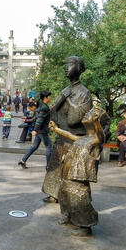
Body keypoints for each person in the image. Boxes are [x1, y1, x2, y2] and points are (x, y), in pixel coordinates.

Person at [42, 56, 93, 204]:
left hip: (75, 137)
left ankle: (76, 204)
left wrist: (68, 100)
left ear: (79, 69)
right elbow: (53, 114)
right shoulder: (66, 90)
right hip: (62, 134)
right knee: (56, 166)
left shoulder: (83, 92)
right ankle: (54, 193)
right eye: (65, 64)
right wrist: (62, 99)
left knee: (74, 173)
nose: (66, 67)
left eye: (70, 64)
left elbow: (74, 119)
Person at [49, 107, 105, 237]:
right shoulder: (84, 138)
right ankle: (70, 216)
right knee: (65, 194)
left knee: (79, 198)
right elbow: (70, 135)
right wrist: (56, 129)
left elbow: (101, 135)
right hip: (69, 172)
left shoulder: (96, 139)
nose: (85, 114)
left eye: (89, 114)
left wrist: (97, 122)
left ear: (96, 119)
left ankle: (85, 226)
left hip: (80, 175)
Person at [18, 90, 52, 169]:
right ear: (45, 98)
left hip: (39, 130)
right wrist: (35, 130)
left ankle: (23, 160)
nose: (51, 98)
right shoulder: (44, 107)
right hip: (41, 130)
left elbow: (36, 117)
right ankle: (48, 166)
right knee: (49, 147)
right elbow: (39, 120)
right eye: (49, 96)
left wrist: (27, 119)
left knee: (34, 146)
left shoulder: (41, 105)